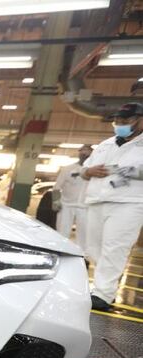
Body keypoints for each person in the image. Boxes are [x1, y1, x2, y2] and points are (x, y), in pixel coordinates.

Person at [81, 102, 143, 311]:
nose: (120, 124)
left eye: (126, 121)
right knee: (94, 248)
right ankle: (105, 286)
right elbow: (84, 168)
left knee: (115, 247)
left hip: (128, 202)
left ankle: (103, 294)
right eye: (118, 121)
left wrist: (124, 170)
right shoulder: (106, 144)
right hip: (97, 199)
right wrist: (88, 172)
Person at [53, 145, 93, 249]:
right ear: (79, 153)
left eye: (87, 152)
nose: (84, 154)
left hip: (85, 206)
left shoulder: (95, 171)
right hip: (66, 205)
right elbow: (57, 187)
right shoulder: (67, 169)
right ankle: (60, 250)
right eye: (82, 152)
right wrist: (56, 201)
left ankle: (82, 256)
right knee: (62, 231)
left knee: (83, 234)